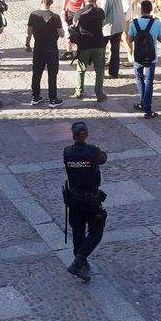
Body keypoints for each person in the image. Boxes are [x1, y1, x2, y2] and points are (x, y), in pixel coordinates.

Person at [62, 120, 108, 282]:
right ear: (86, 134)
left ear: (73, 136)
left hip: (74, 198)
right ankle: (79, 260)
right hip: (91, 199)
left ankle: (80, 261)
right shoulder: (93, 152)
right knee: (96, 231)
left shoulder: (67, 152)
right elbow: (104, 159)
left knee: (78, 230)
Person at [126, 0, 161, 118]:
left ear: (141, 10)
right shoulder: (157, 23)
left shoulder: (134, 23)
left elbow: (129, 39)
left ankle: (142, 103)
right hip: (151, 57)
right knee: (149, 82)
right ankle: (148, 109)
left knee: (139, 79)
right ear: (151, 10)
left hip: (138, 56)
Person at [25, 0, 64, 107]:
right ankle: (53, 99)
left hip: (38, 48)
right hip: (52, 49)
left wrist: (27, 44)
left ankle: (35, 96)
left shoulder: (33, 15)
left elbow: (29, 32)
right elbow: (61, 34)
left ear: (41, 0)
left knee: (36, 73)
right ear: (51, 3)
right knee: (52, 74)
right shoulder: (55, 17)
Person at [71, 0, 107, 102]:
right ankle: (99, 93)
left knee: (81, 69)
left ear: (84, 1)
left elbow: (74, 24)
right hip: (98, 44)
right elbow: (103, 21)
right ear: (95, 2)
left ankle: (79, 91)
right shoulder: (100, 12)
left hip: (84, 45)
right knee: (99, 69)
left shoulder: (79, 13)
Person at [100, 0, 126, 79]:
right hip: (119, 26)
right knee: (115, 50)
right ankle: (114, 72)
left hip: (109, 27)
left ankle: (100, 72)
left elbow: (103, 12)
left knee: (101, 50)